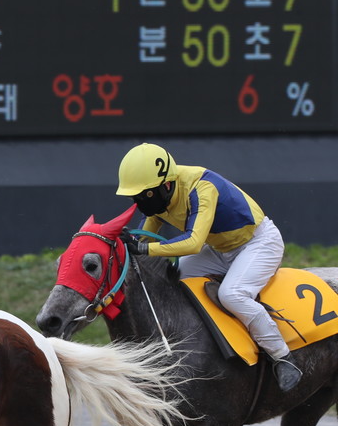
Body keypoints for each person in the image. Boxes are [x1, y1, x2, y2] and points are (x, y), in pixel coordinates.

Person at [116, 142, 302, 392]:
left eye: (145, 194)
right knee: (175, 278)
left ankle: (283, 358)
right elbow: (145, 234)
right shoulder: (161, 194)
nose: (141, 201)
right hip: (219, 248)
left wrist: (145, 249)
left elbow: (193, 243)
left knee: (232, 294)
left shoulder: (202, 187)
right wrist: (129, 244)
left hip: (258, 243)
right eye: (135, 196)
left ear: (167, 184)